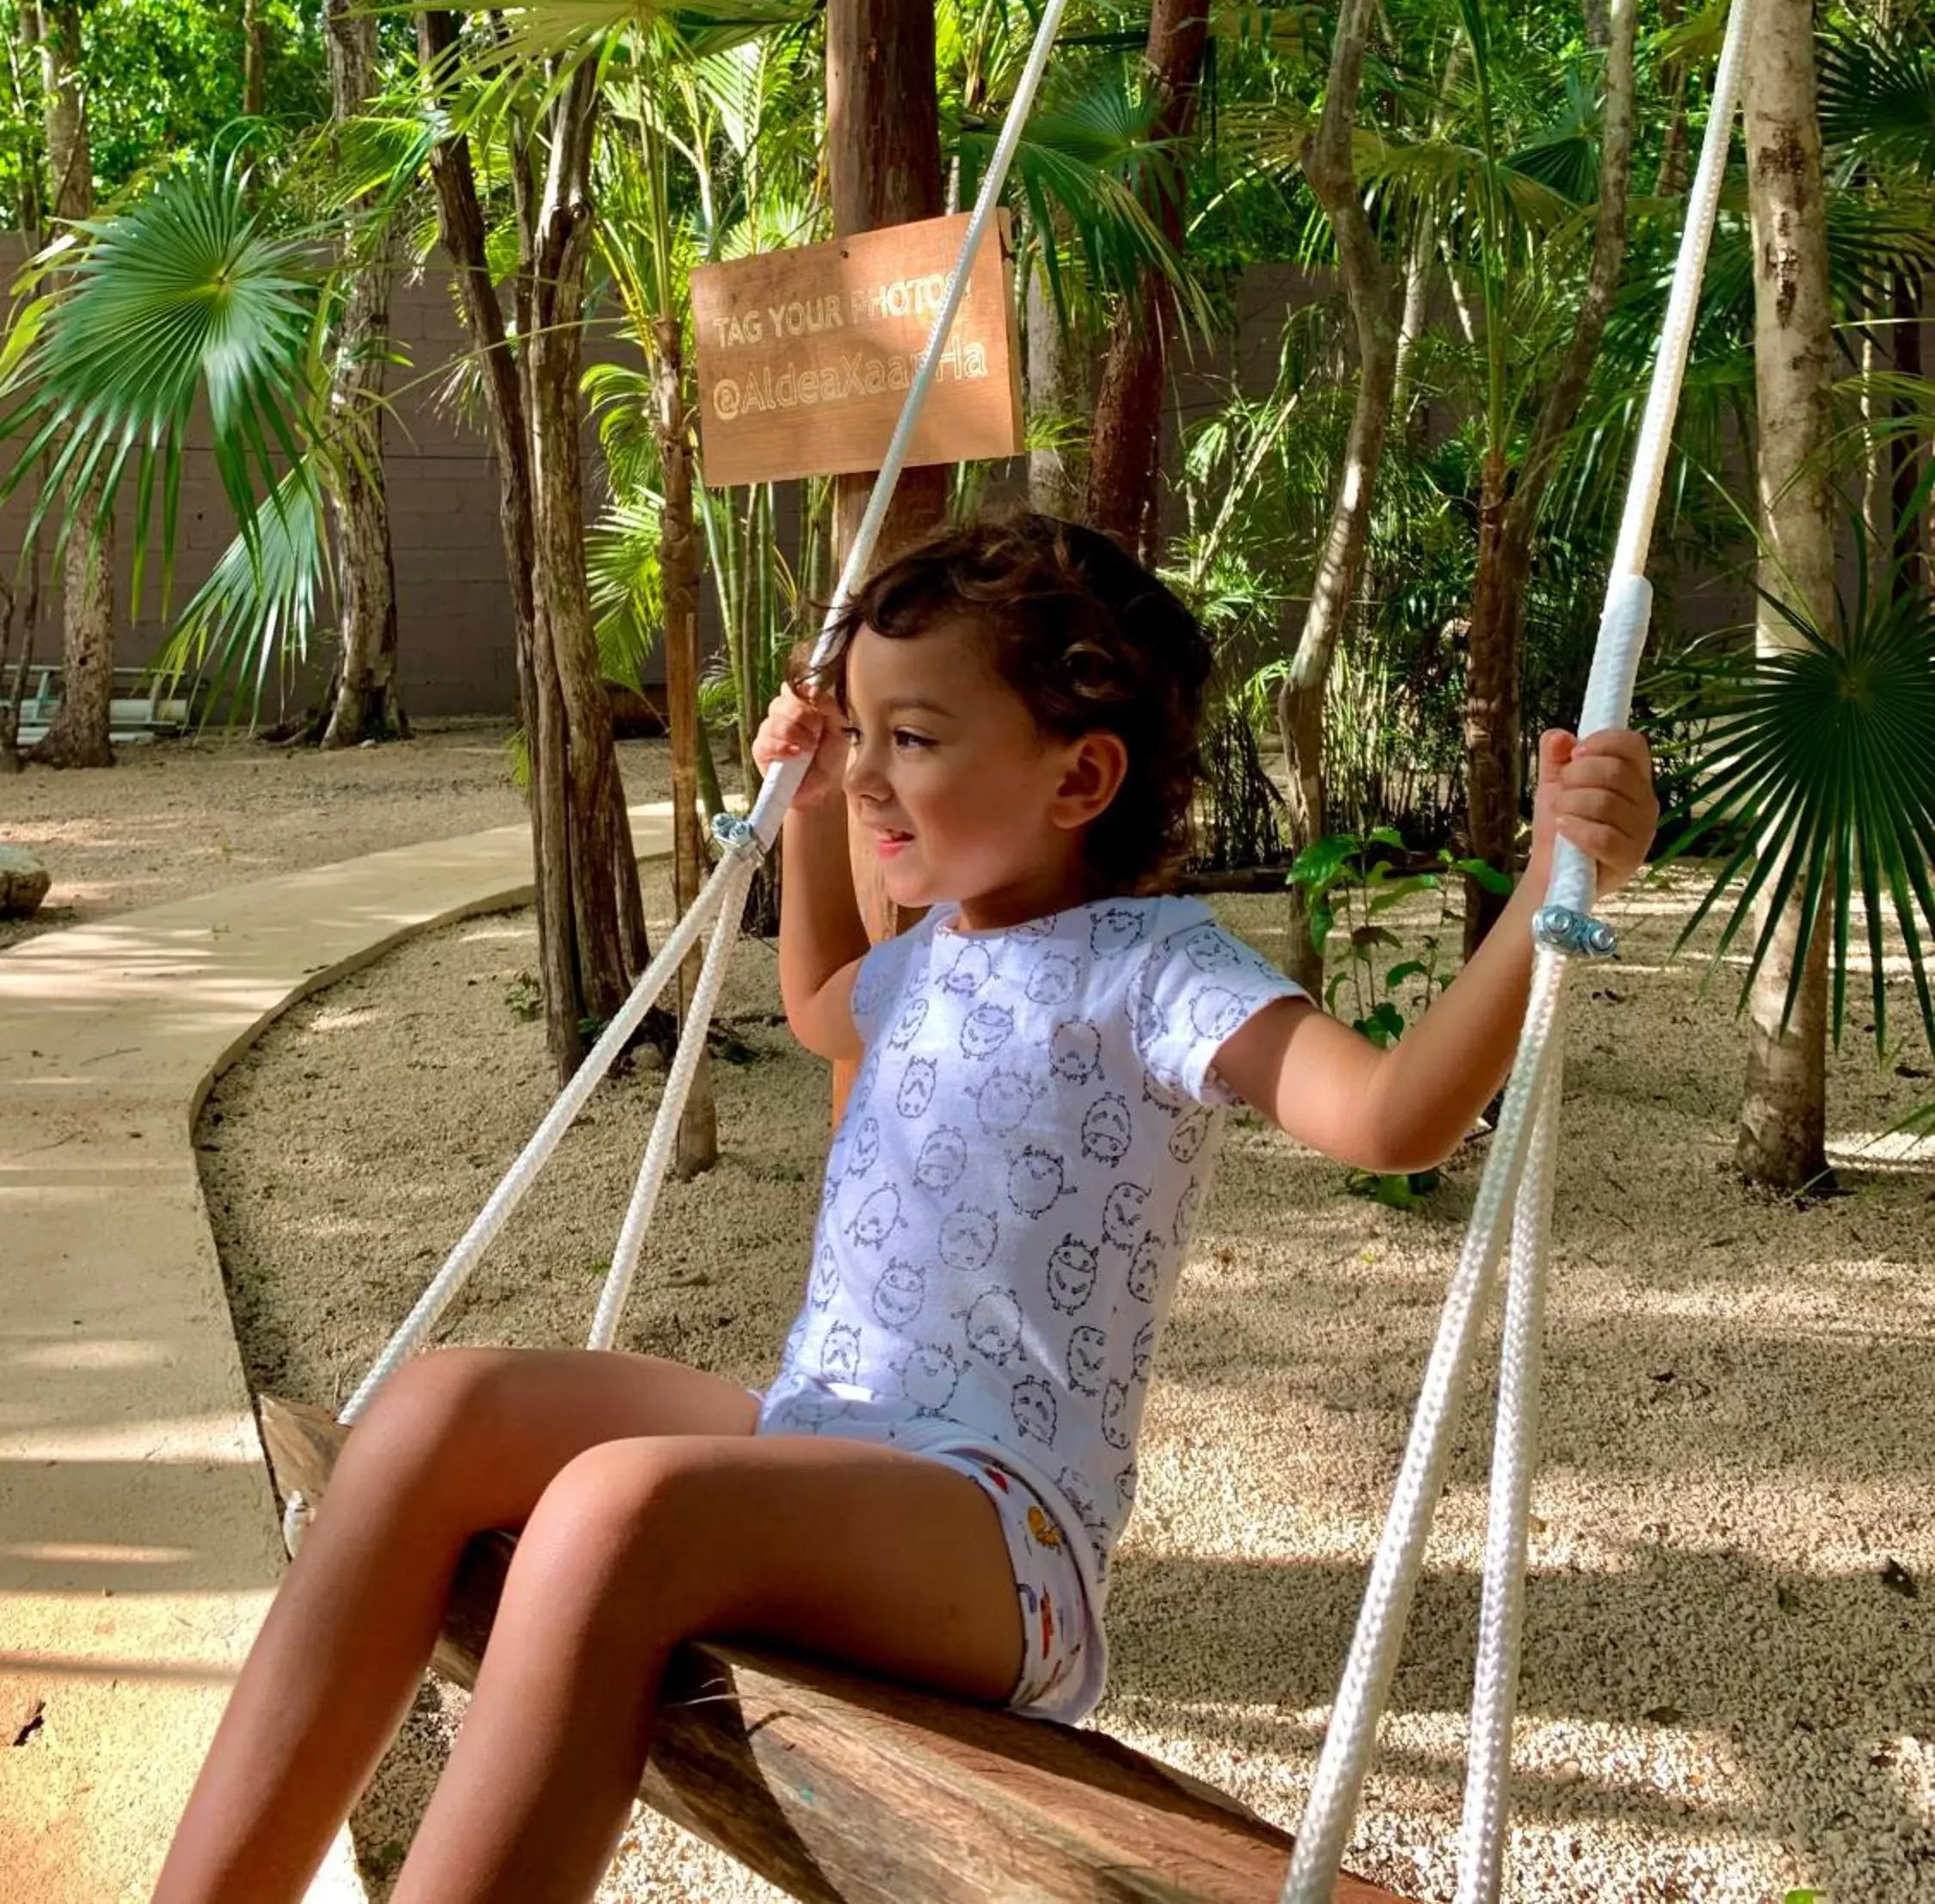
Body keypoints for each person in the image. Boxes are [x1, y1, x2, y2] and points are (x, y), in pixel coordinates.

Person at [153, 510, 1656, 1904]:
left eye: (913, 737)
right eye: (858, 732)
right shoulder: (931, 947)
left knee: (615, 1512)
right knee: (439, 1405)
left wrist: (1543, 898)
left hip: (998, 1540)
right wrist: (807, 809)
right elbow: (819, 1002)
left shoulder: (1154, 967)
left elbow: (1390, 1122)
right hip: (827, 1431)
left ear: (1079, 777)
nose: (872, 769)